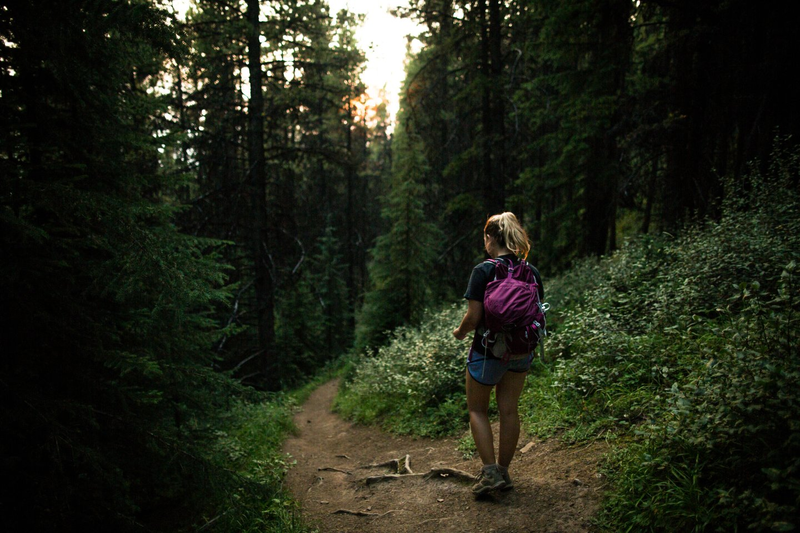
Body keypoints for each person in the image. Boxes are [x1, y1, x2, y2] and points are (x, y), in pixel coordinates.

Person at [452, 212, 544, 495]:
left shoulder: (484, 271)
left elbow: (473, 317)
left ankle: (491, 473)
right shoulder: (531, 271)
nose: (485, 244)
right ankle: (504, 472)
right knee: (509, 410)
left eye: (485, 238)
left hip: (488, 351)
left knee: (477, 409)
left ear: (491, 238)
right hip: (521, 351)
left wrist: (459, 332)